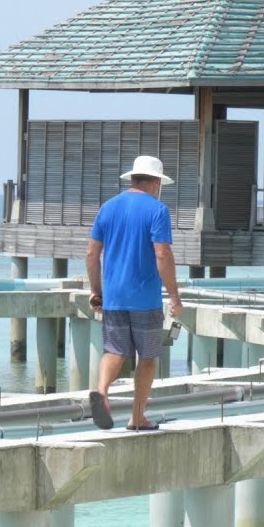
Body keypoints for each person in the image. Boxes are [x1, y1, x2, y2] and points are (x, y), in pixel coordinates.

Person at [85, 155, 183, 431]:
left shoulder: (107, 207)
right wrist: (174, 296)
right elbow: (162, 254)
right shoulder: (157, 210)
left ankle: (102, 391)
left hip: (114, 297)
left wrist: (96, 290)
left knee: (114, 350)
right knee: (148, 357)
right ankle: (137, 416)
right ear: (155, 181)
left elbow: (92, 253)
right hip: (145, 299)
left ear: (133, 178)